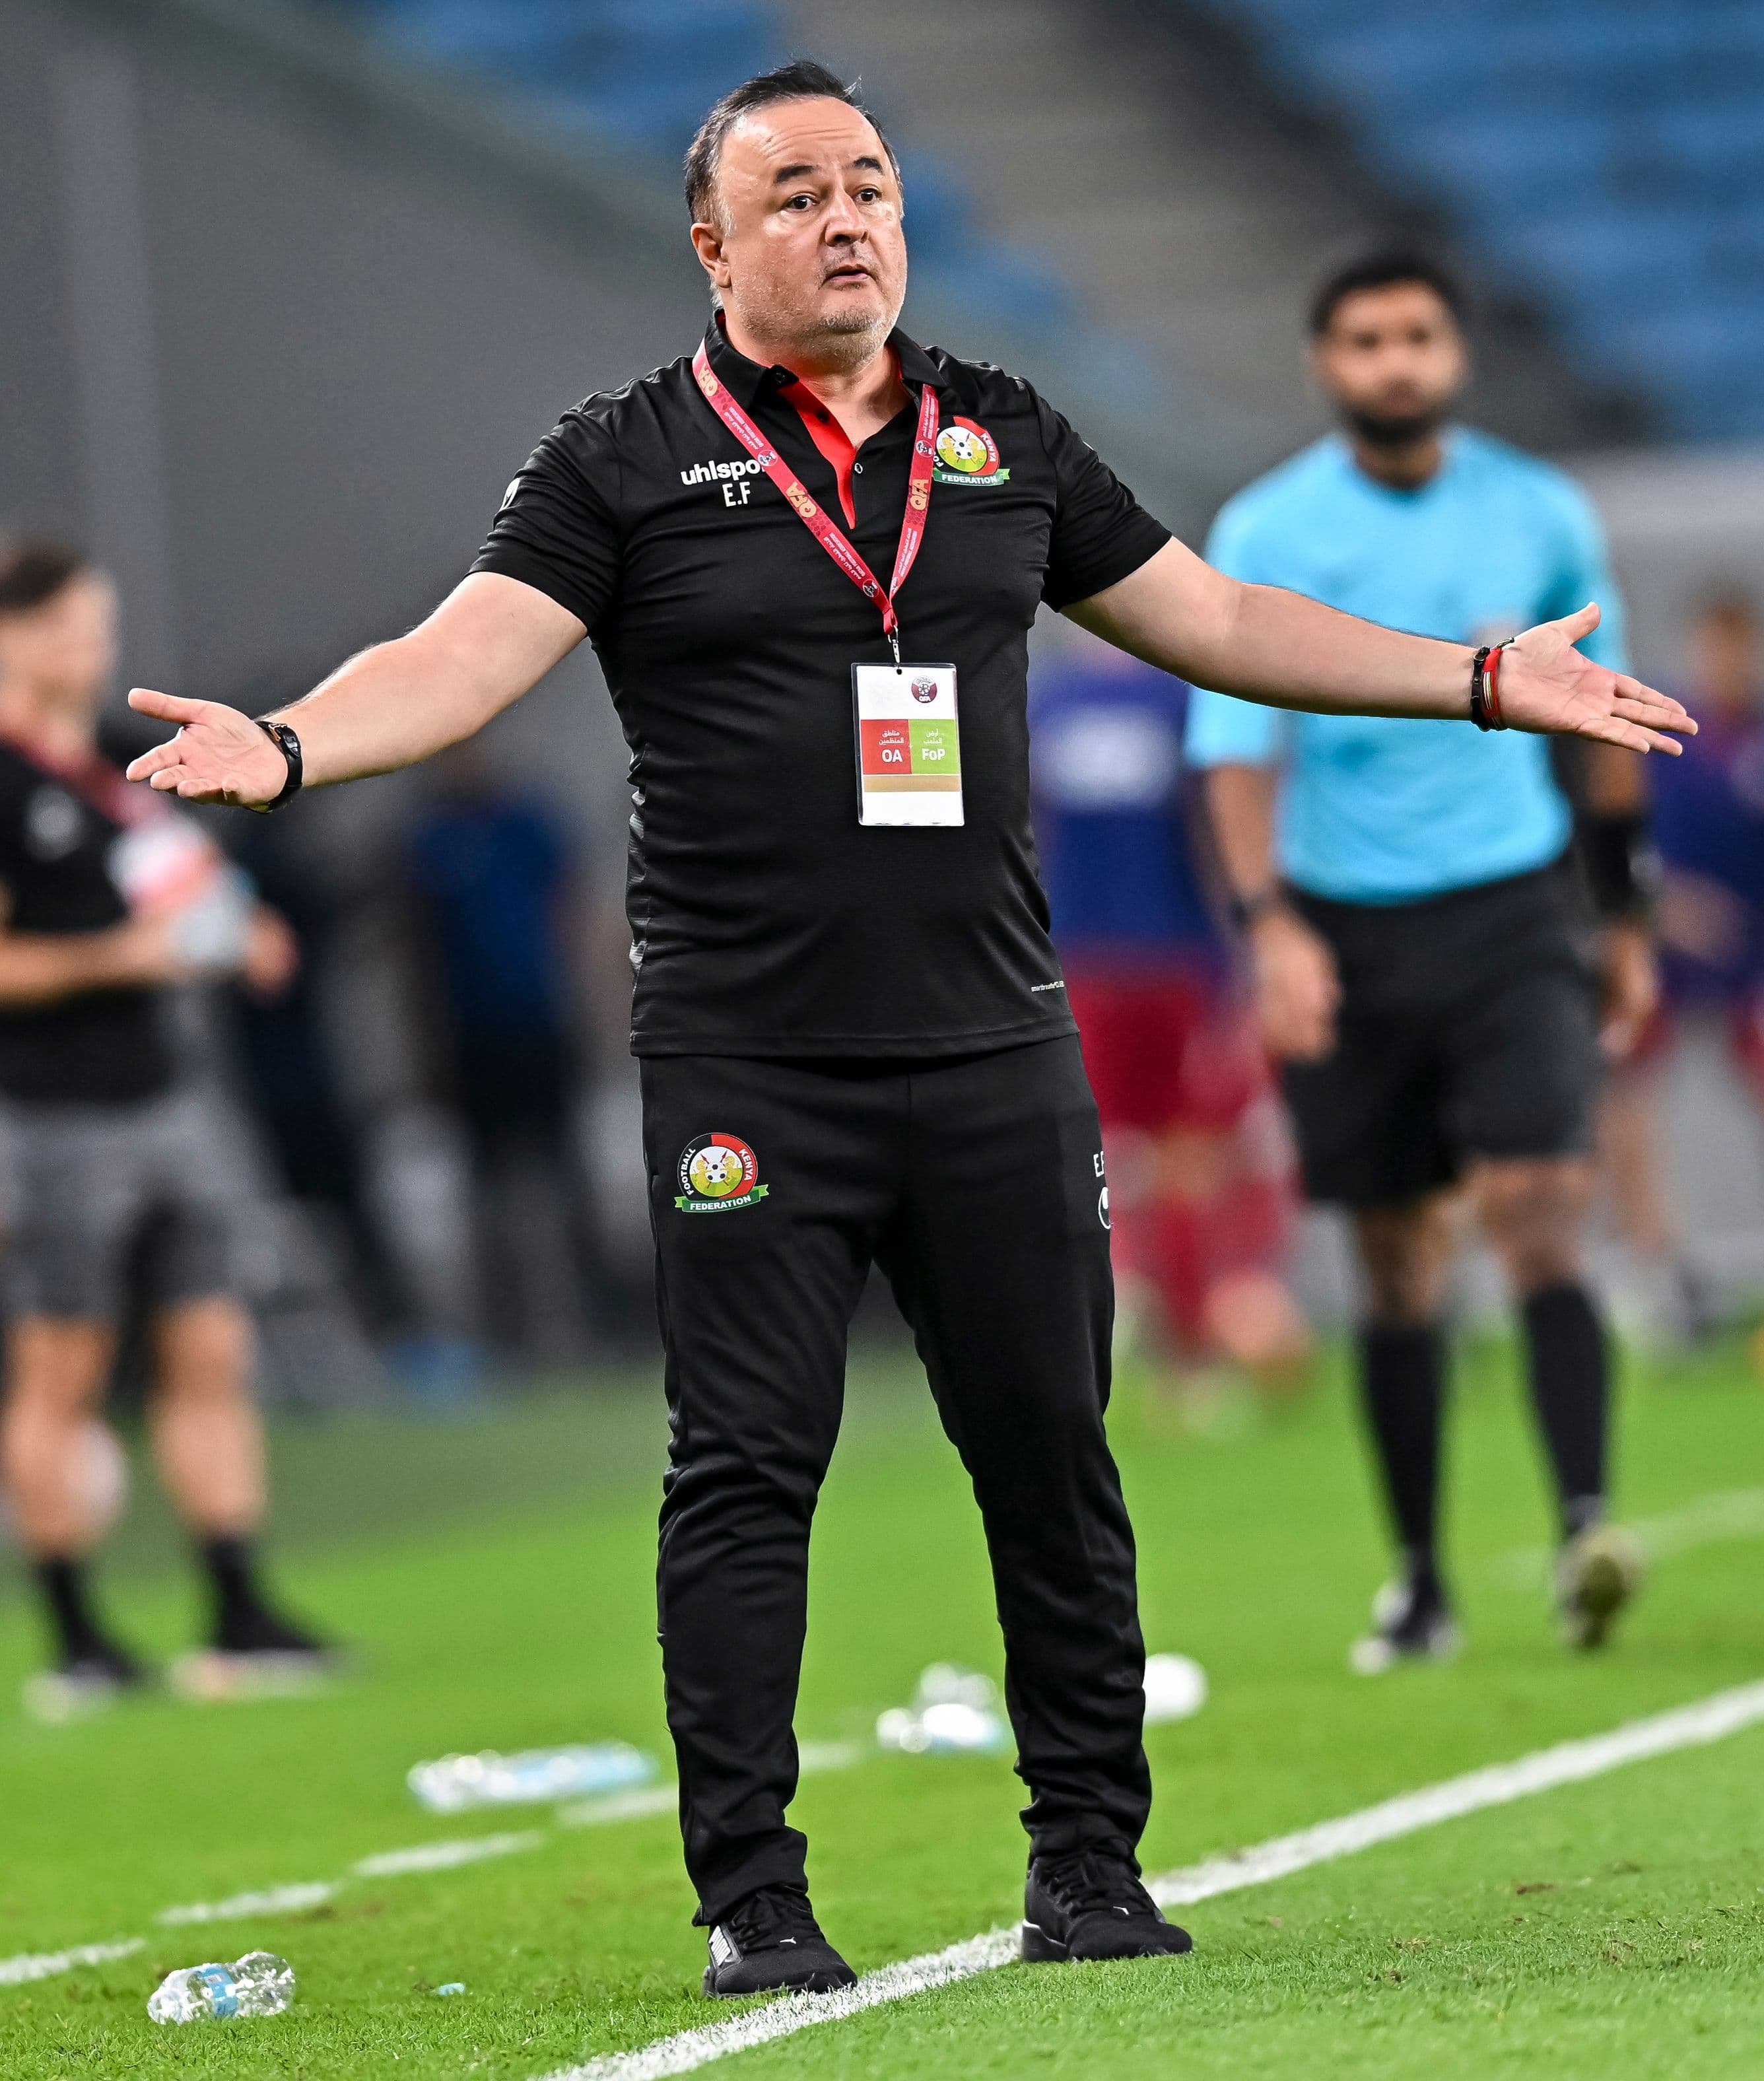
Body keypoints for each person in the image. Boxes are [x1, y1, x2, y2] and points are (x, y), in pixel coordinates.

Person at [122, 74, 1689, 1995]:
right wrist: (290, 744)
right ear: (712, 245)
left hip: (990, 1048)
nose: (845, 217)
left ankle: (1088, 1867)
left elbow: (1208, 615)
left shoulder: (998, 433)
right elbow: (459, 656)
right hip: (743, 1062)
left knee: (1047, 1454)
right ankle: (750, 1898)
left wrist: (1466, 679)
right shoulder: (614, 460)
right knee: (742, 1469)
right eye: (794, 194)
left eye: (867, 184)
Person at [1185, 250, 1662, 1676]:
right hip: (1345, 928)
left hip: (1513, 912)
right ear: (1326, 361)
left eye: (1416, 335)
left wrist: (1622, 916)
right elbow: (1233, 751)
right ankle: (1419, 1578)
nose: (1394, 360)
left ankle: (1584, 1524)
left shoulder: (1538, 510)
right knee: (1396, 1258)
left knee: (1534, 1201)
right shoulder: (1268, 526)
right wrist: (1269, 926)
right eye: (1364, 339)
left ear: (1452, 352)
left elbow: (1605, 716)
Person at [0, 539, 328, 1717]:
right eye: (75, 629)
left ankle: (240, 1608)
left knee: (211, 1351)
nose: (94, 648)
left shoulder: (102, 759)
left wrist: (237, 931)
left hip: (172, 1098)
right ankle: (79, 1633)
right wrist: (116, 957)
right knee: (64, 1369)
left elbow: (175, 882)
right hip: (52, 1117)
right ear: (15, 633)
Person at [1029, 626, 1308, 1388]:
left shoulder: (1056, 702)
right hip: (1140, 957)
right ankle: (1176, 1331)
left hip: (1123, 957)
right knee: (1161, 1154)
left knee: (1142, 1153)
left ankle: (1171, 1325)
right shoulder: (1079, 700)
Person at [403, 743, 623, 1360]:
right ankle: (505, 1335)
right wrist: (428, 1046)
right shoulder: (430, 839)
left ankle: (594, 1323)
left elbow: (574, 922)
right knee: (488, 1193)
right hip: (473, 1039)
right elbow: (418, 954)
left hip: (541, 1027)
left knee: (567, 1180)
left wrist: (594, 1014)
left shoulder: (529, 824)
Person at [1599, 587, 1764, 1326]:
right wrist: (1666, 909)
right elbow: (1617, 842)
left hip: (1750, 958)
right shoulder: (1663, 737)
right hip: (1666, 956)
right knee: (1627, 1110)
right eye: (1714, 646)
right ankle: (1658, 1276)